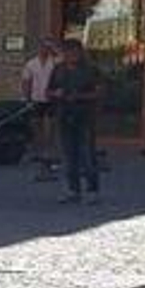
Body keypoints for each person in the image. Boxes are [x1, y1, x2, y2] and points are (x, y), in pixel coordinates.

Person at [48, 39, 102, 205]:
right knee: (68, 155)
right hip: (64, 115)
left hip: (84, 116)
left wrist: (79, 96)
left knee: (87, 155)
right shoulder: (58, 70)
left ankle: (92, 190)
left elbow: (99, 92)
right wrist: (56, 94)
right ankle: (73, 190)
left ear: (80, 52)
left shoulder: (90, 70)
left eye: (74, 52)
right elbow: (48, 90)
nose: (70, 55)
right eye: (67, 52)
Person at [21, 39, 59, 162]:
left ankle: (50, 150)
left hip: (51, 98)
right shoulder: (31, 64)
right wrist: (27, 99)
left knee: (51, 125)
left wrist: (55, 50)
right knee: (36, 125)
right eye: (43, 47)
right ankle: (38, 150)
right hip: (36, 98)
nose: (45, 50)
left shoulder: (54, 63)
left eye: (48, 48)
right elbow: (26, 82)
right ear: (39, 48)